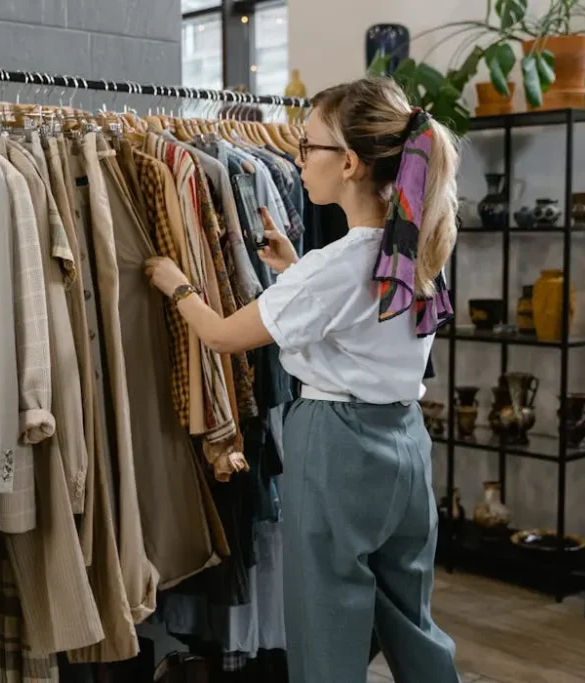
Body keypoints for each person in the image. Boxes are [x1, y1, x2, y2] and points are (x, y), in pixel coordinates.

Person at [145, 76, 461, 683]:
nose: (297, 159)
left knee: (326, 618)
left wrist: (172, 281)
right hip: (405, 442)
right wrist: (294, 267)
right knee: (408, 616)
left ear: (348, 162)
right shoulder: (413, 245)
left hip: (339, 444)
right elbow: (356, 319)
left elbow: (221, 335)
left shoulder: (338, 266)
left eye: (307, 146)